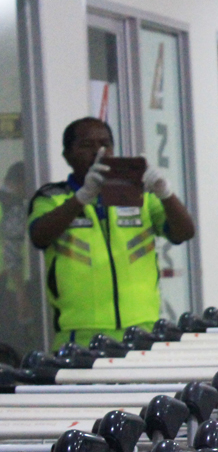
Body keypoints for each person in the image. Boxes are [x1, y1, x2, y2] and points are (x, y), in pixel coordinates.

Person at [29, 117, 195, 347]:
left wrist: (165, 192)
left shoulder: (139, 197)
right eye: (86, 145)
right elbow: (39, 236)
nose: (98, 152)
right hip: (80, 334)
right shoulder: (52, 197)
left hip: (142, 330)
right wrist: (82, 197)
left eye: (105, 144)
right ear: (67, 155)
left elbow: (184, 232)